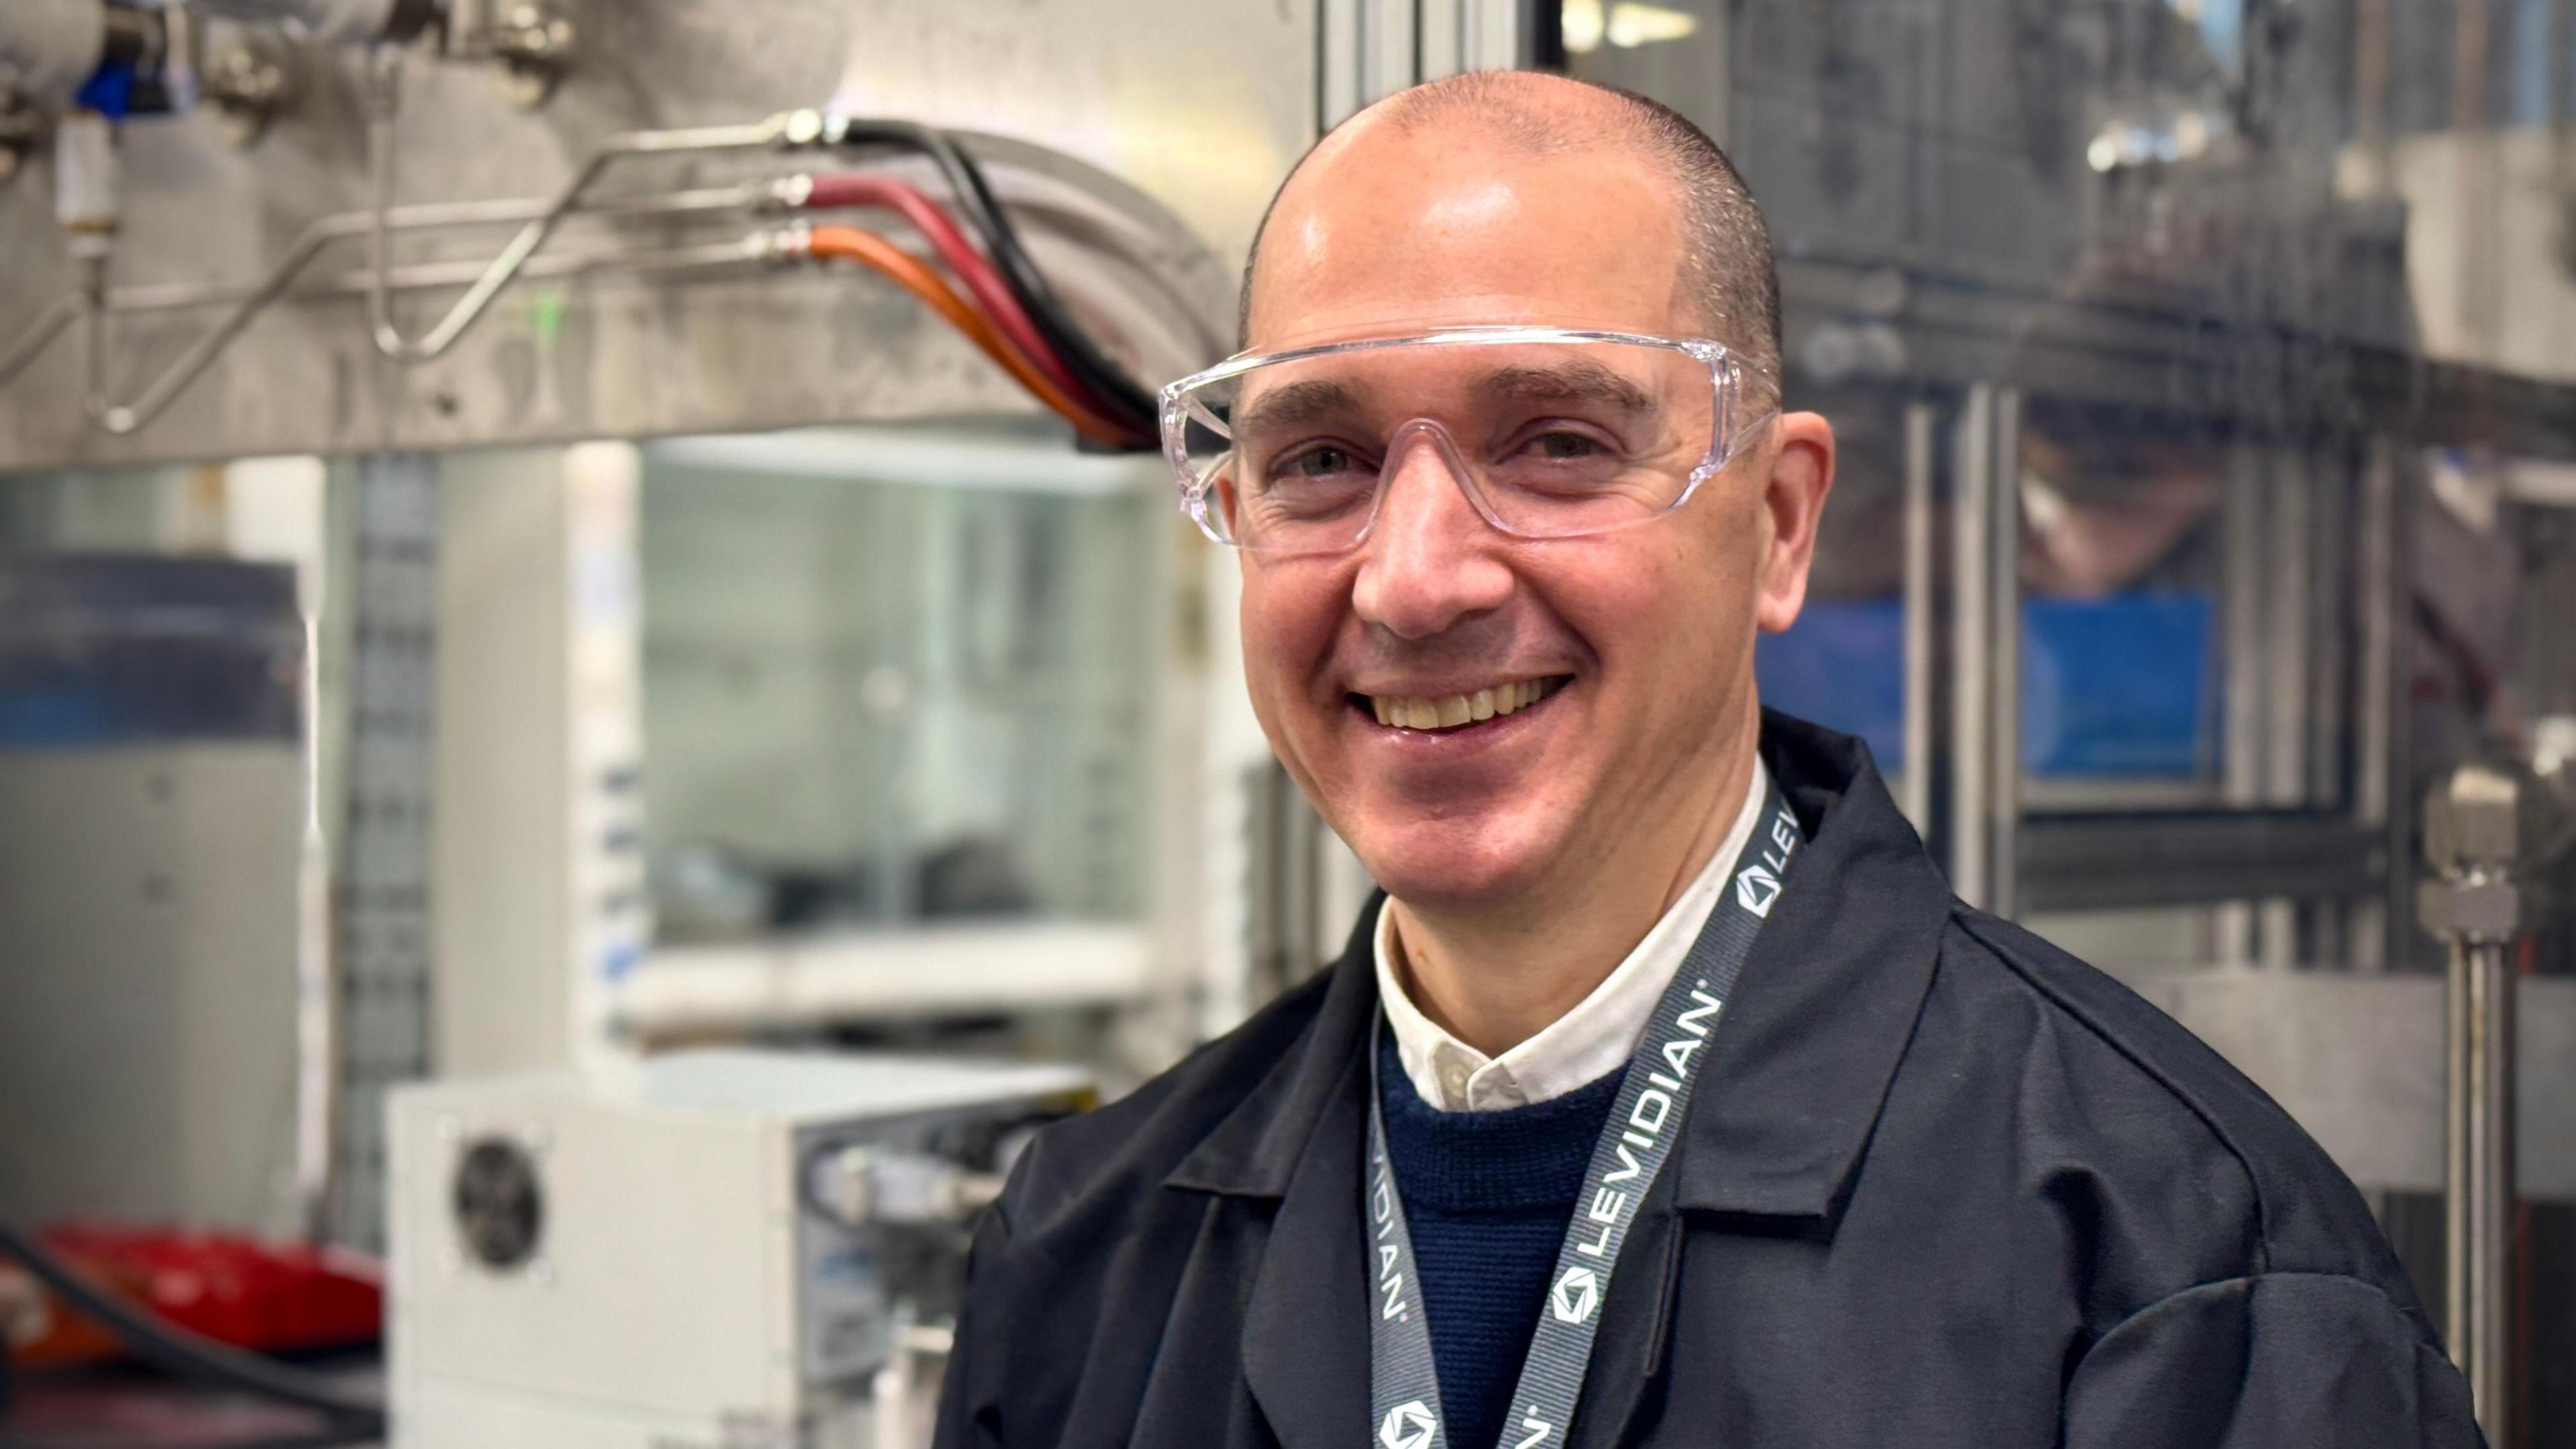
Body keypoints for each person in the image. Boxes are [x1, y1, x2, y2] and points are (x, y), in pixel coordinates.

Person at [932, 70, 2480, 1449]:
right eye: (1320, 461)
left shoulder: (2182, 1286)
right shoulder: (1083, 1264)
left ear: (1781, 523)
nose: (1412, 578)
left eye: (1557, 442)